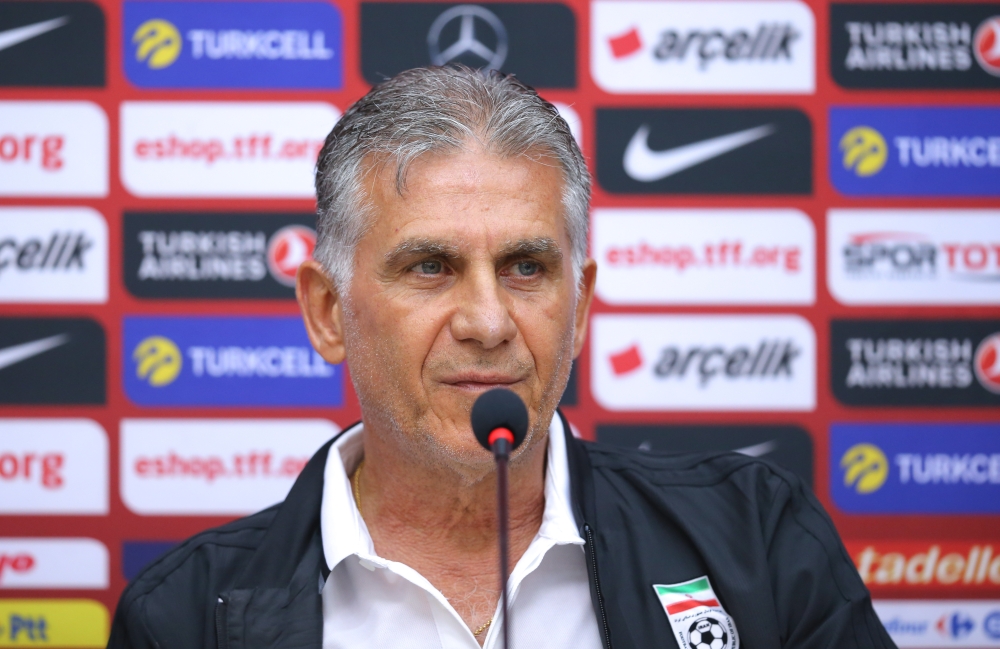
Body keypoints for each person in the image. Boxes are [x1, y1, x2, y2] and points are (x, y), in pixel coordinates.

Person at [107, 65, 895, 649]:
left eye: (526, 267)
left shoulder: (756, 540)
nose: (488, 321)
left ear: (580, 304)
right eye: (430, 267)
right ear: (327, 311)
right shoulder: (183, 616)